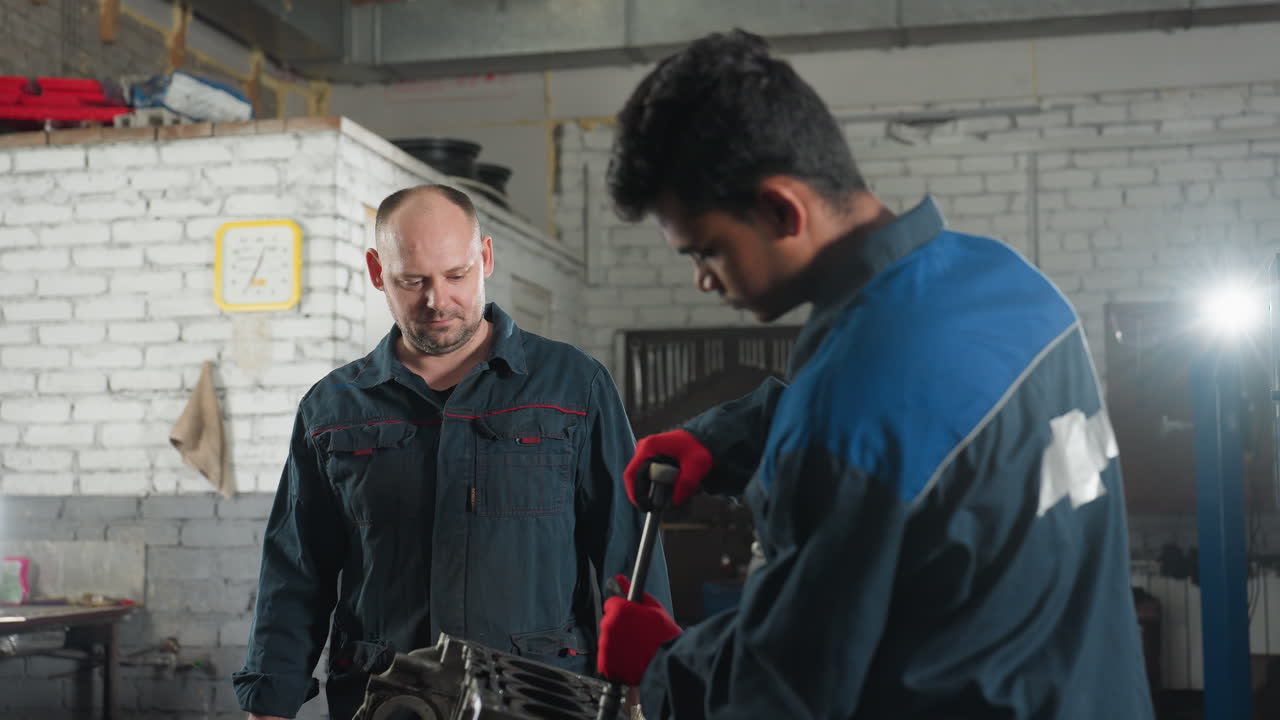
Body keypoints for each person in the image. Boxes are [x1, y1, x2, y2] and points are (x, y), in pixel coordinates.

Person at [595, 29, 1154, 720]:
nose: (704, 281)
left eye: (706, 250)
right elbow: (925, 427)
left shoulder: (850, 408)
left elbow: (785, 692)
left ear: (779, 209)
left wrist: (662, 666)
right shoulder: (1008, 284)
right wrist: (724, 439)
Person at [233, 184, 670, 720]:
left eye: (456, 276)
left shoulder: (573, 387)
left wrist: (650, 688)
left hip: (541, 698)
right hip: (385, 701)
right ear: (377, 272)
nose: (437, 301)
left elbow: (627, 553)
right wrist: (270, 703)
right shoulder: (333, 409)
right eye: (412, 281)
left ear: (484, 258)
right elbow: (296, 571)